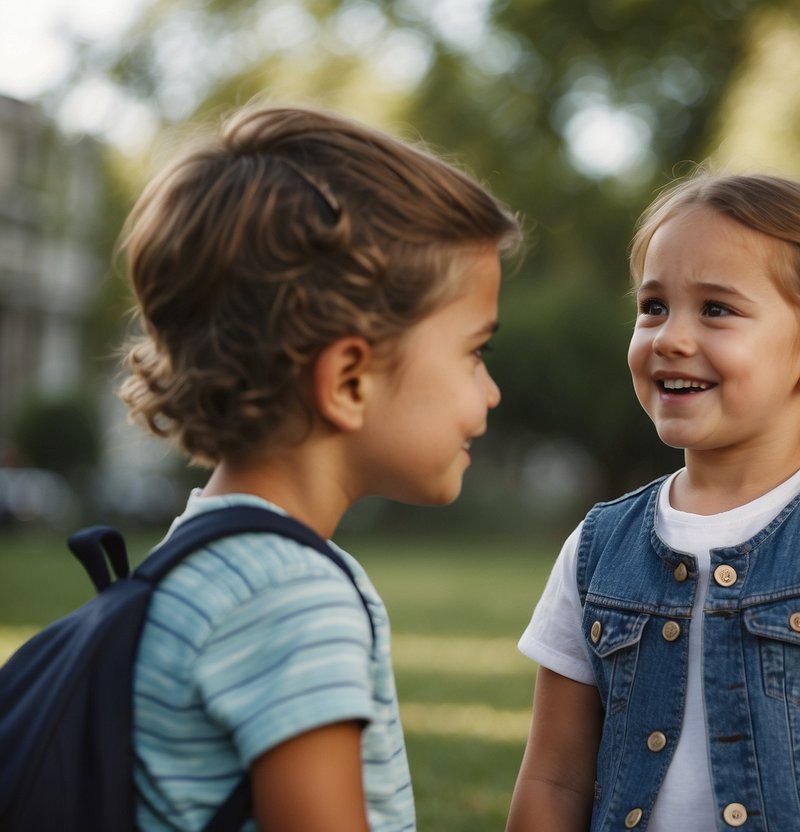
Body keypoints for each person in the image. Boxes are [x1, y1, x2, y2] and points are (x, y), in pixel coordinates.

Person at [507, 173, 800, 831]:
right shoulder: (597, 547)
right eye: (653, 306)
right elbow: (553, 778)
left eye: (716, 309)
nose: (669, 337)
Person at [119, 103, 519, 831]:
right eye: (474, 351)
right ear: (348, 381)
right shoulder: (289, 596)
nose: (489, 389)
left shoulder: (203, 555)